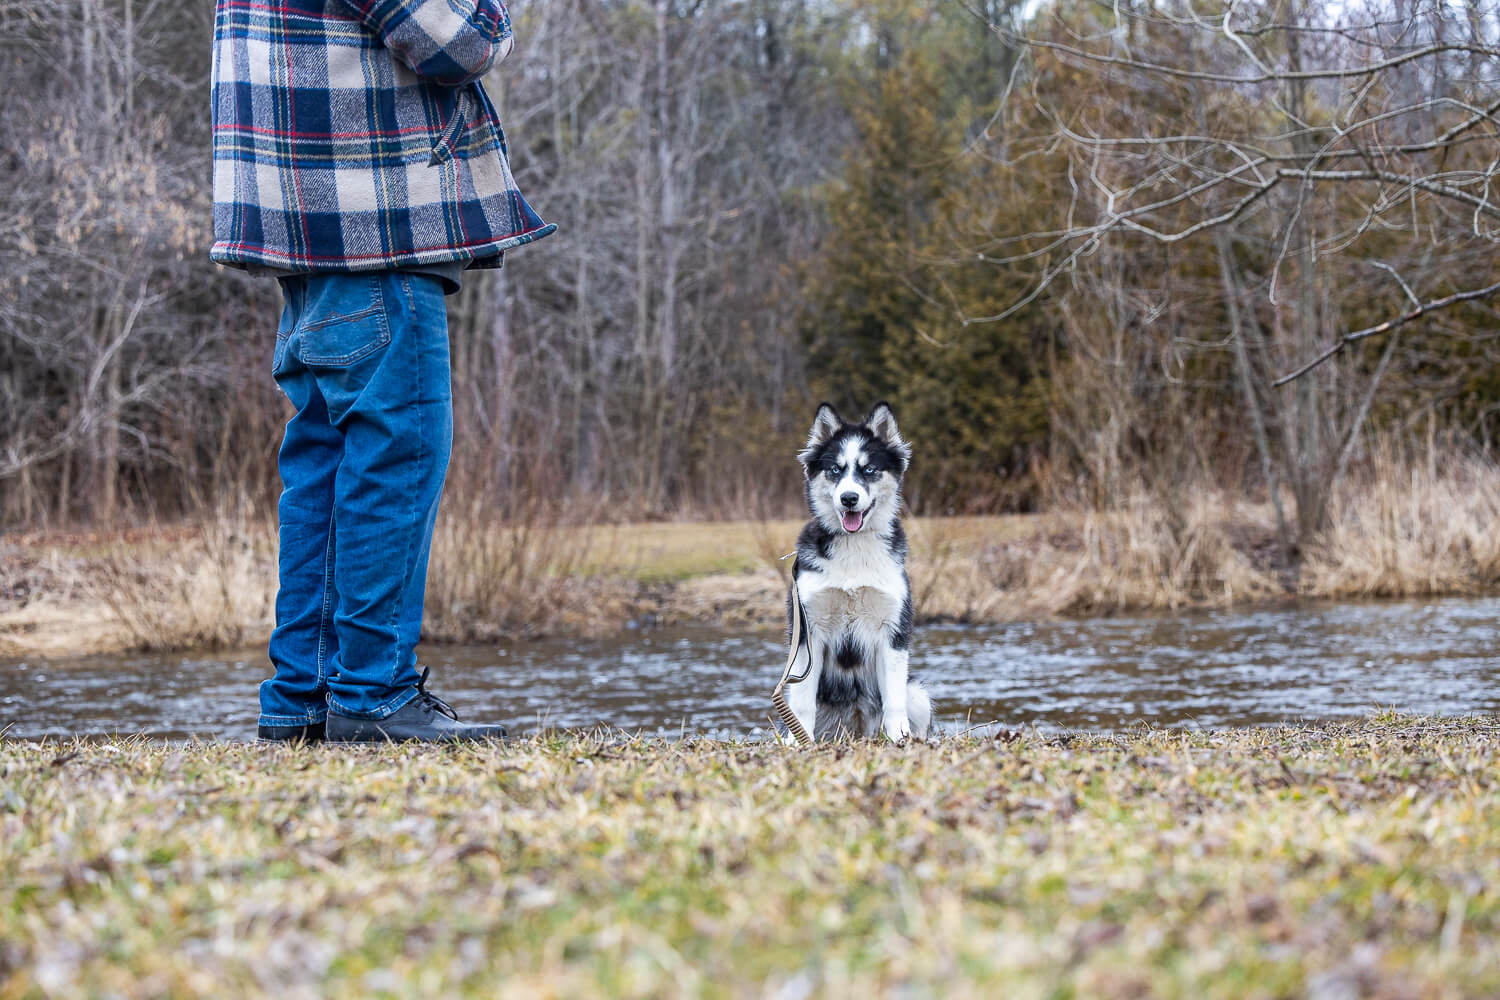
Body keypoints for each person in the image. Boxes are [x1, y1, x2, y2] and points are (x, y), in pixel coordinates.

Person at [210, 0, 554, 743]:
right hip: (368, 213)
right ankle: (370, 694)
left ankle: (303, 699)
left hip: (304, 216)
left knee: (327, 460)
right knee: (397, 451)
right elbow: (460, 38)